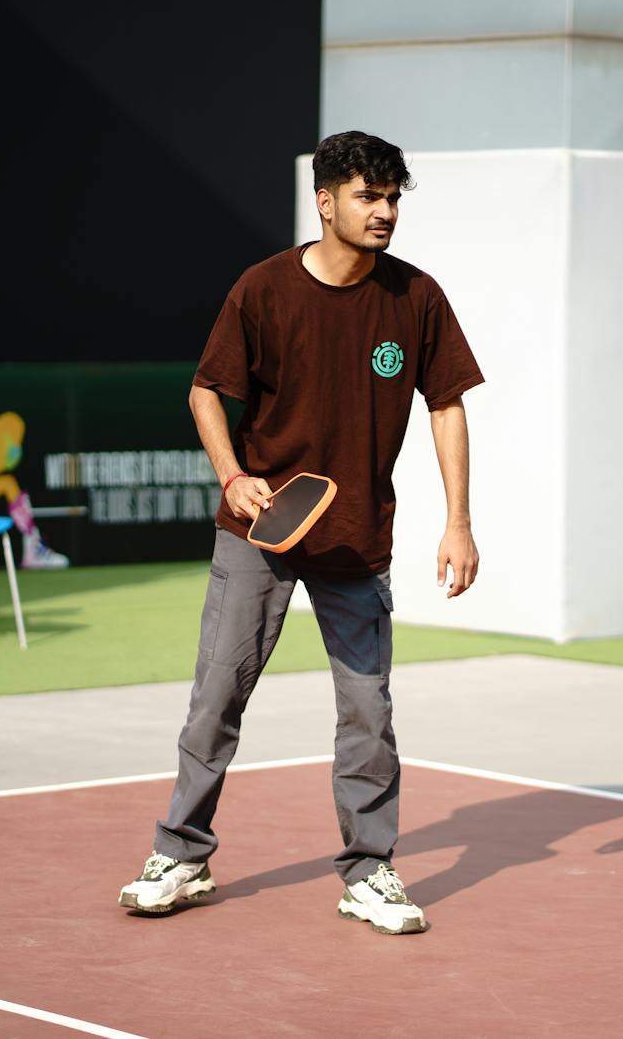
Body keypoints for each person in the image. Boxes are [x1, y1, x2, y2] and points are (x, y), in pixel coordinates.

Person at [118, 131, 484, 935]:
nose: (385, 212)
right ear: (326, 202)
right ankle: (180, 854)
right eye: (368, 197)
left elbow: (448, 403)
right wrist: (232, 476)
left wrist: (458, 520)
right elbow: (206, 391)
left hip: (356, 538)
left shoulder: (416, 298)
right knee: (218, 694)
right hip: (259, 530)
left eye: (393, 198)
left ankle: (369, 870)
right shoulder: (263, 290)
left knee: (367, 711)